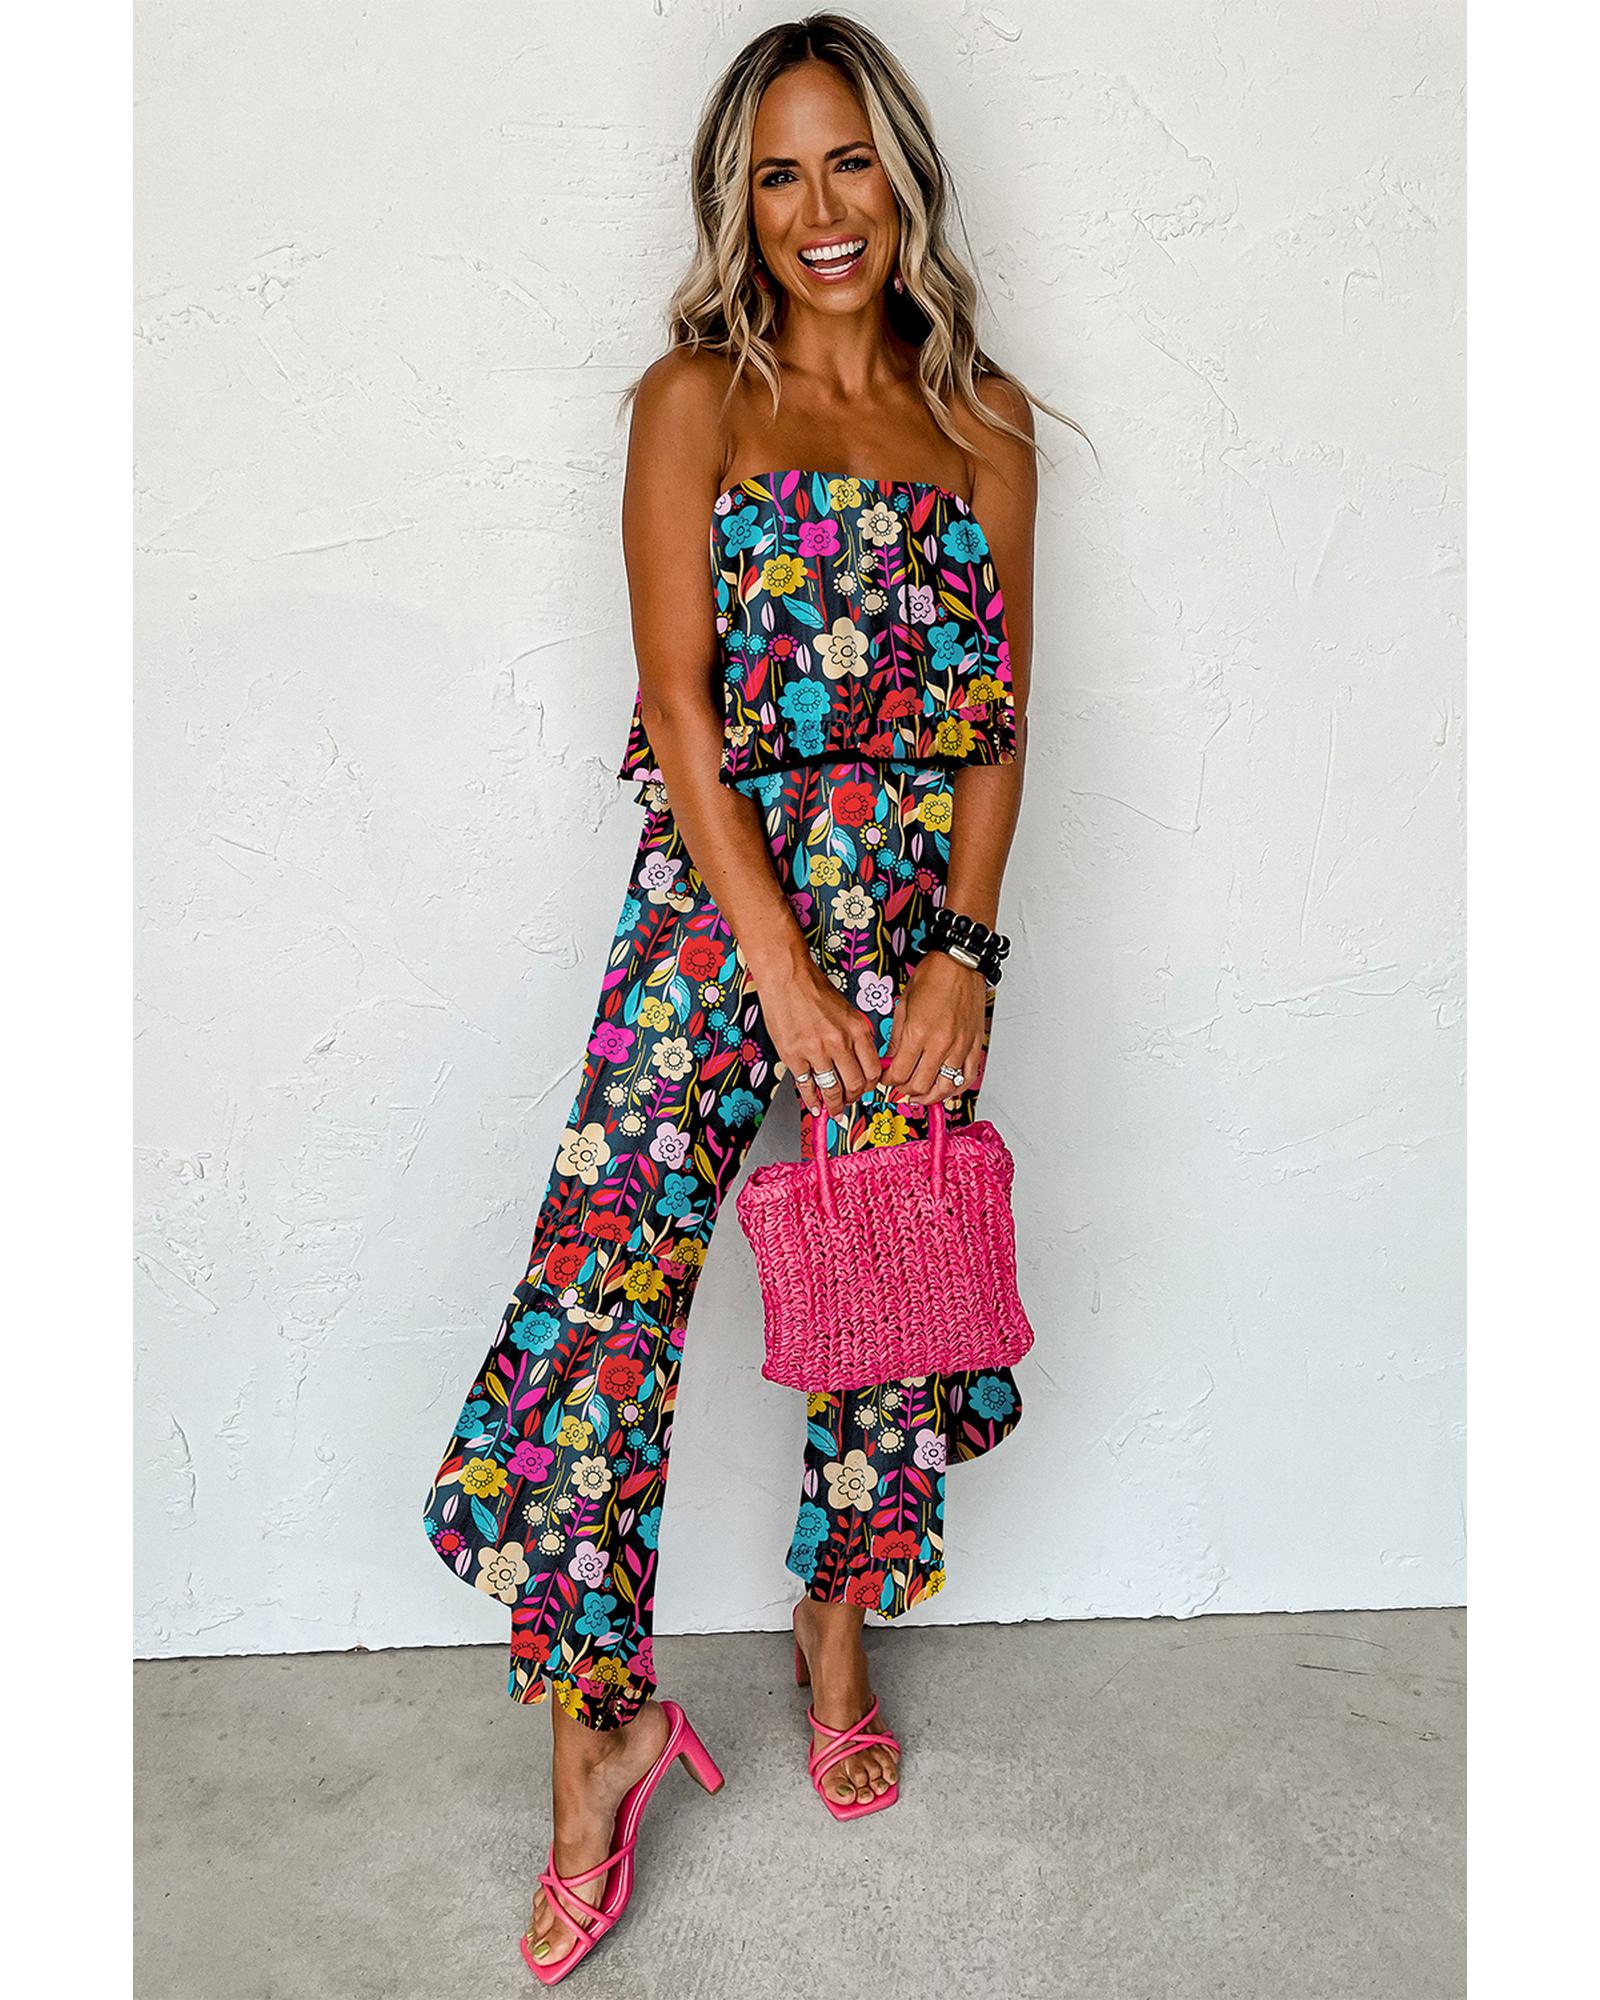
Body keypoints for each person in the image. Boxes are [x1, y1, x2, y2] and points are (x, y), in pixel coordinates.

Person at [421, 12, 1072, 1982]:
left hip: (910, 922)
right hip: (720, 912)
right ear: (740, 203)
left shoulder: (985, 426)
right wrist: (776, 970)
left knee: (885, 1292)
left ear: (904, 179)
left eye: (848, 161)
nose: (818, 209)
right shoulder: (692, 398)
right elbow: (681, 705)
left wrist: (959, 955)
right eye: (778, 173)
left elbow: (994, 726)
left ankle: (832, 1632)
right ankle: (597, 1734)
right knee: (598, 1298)